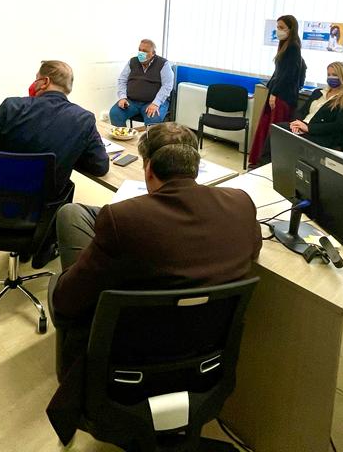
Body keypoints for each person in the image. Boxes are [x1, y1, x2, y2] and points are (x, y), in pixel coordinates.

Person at [46, 122, 262, 443]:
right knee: (78, 216)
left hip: (126, 369)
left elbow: (65, 304)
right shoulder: (242, 204)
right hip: (205, 365)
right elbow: (251, 250)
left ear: (148, 169)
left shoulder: (122, 219)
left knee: (72, 230)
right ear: (195, 167)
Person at [0, 60, 109, 267]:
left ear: (44, 82)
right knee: (67, 185)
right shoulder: (83, 119)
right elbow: (100, 166)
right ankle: (46, 245)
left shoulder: (12, 106)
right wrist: (71, 151)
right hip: (42, 211)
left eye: (36, 79)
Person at [248, 14, 304, 166]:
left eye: (281, 27)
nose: (278, 30)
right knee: (266, 127)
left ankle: (268, 162)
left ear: (290, 29)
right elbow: (279, 72)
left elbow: (287, 74)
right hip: (278, 92)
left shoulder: (293, 47)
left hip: (282, 96)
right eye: (277, 27)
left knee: (274, 129)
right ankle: (258, 160)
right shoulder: (285, 45)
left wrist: (274, 93)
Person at [288, 61, 343, 151]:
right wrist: (296, 124)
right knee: (278, 129)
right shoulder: (318, 92)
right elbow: (302, 111)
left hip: (323, 135)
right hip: (303, 127)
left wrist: (308, 128)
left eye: (334, 75)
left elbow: (338, 126)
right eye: (329, 74)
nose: (331, 77)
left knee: (291, 141)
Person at [109, 39, 173, 127]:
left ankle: (148, 137)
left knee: (153, 118)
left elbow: (167, 86)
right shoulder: (132, 61)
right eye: (140, 50)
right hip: (131, 101)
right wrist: (122, 97)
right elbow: (122, 80)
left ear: (153, 53)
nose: (141, 53)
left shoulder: (163, 64)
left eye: (145, 51)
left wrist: (155, 103)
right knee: (115, 113)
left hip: (153, 102)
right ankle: (124, 135)